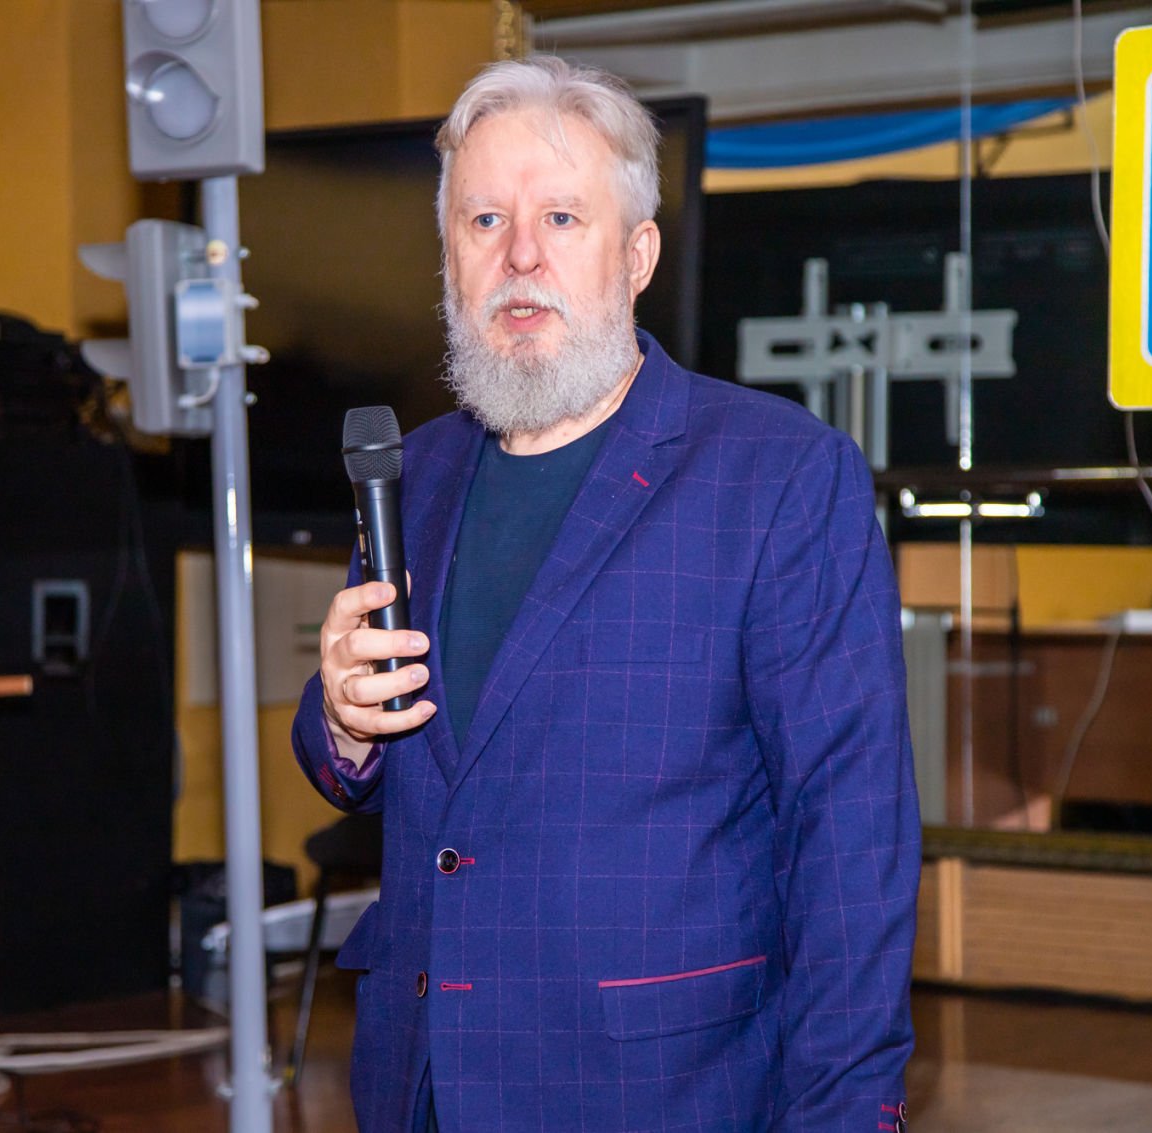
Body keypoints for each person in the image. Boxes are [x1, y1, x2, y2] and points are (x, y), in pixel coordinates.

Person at [293, 55, 918, 1132]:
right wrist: (343, 722)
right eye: (484, 219)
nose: (519, 255)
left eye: (561, 218)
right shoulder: (412, 474)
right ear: (448, 255)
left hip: (660, 1091)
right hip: (420, 1083)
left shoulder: (777, 476)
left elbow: (850, 843)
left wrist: (846, 1112)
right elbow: (376, 759)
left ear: (636, 256)